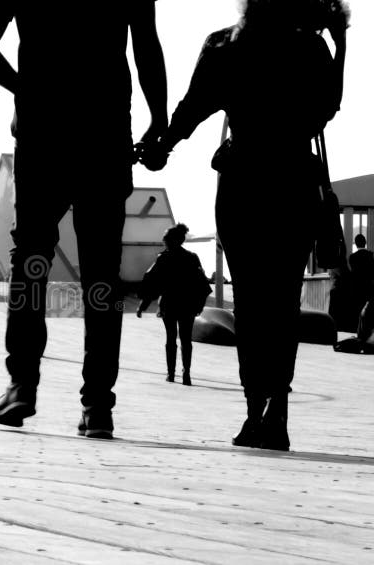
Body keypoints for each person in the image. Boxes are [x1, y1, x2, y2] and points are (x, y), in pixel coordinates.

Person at [142, 0, 349, 450]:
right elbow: (327, 108)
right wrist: (341, 40)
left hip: (241, 184)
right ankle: (276, 409)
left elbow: (193, 107)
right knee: (282, 301)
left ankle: (256, 409)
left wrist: (164, 146)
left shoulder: (224, 44)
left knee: (252, 304)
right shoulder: (309, 46)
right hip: (293, 183)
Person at [0, 1, 168, 438]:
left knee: (31, 260)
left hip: (43, 137)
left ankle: (21, 383)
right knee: (102, 274)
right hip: (105, 135)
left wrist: (27, 91)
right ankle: (98, 404)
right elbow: (146, 48)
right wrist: (159, 118)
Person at [137, 224, 212, 386]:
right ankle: (187, 374)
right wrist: (199, 305)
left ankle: (171, 374)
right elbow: (202, 284)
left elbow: (151, 282)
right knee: (186, 339)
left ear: (173, 240)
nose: (163, 240)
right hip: (187, 305)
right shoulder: (192, 257)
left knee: (171, 338)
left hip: (169, 304)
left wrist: (143, 304)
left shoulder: (163, 258)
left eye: (166, 238)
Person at [348, 234, 374, 319]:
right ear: (365, 243)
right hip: (369, 288)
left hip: (356, 289)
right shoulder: (371, 255)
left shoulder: (352, 257)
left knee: (357, 312)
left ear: (355, 244)